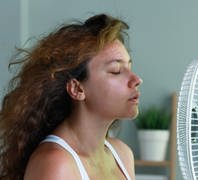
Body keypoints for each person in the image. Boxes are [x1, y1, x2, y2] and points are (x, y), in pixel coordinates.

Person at [0, 13, 142, 180]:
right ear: (77, 88)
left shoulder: (123, 155)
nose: (136, 79)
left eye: (130, 67)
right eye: (116, 71)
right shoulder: (56, 165)